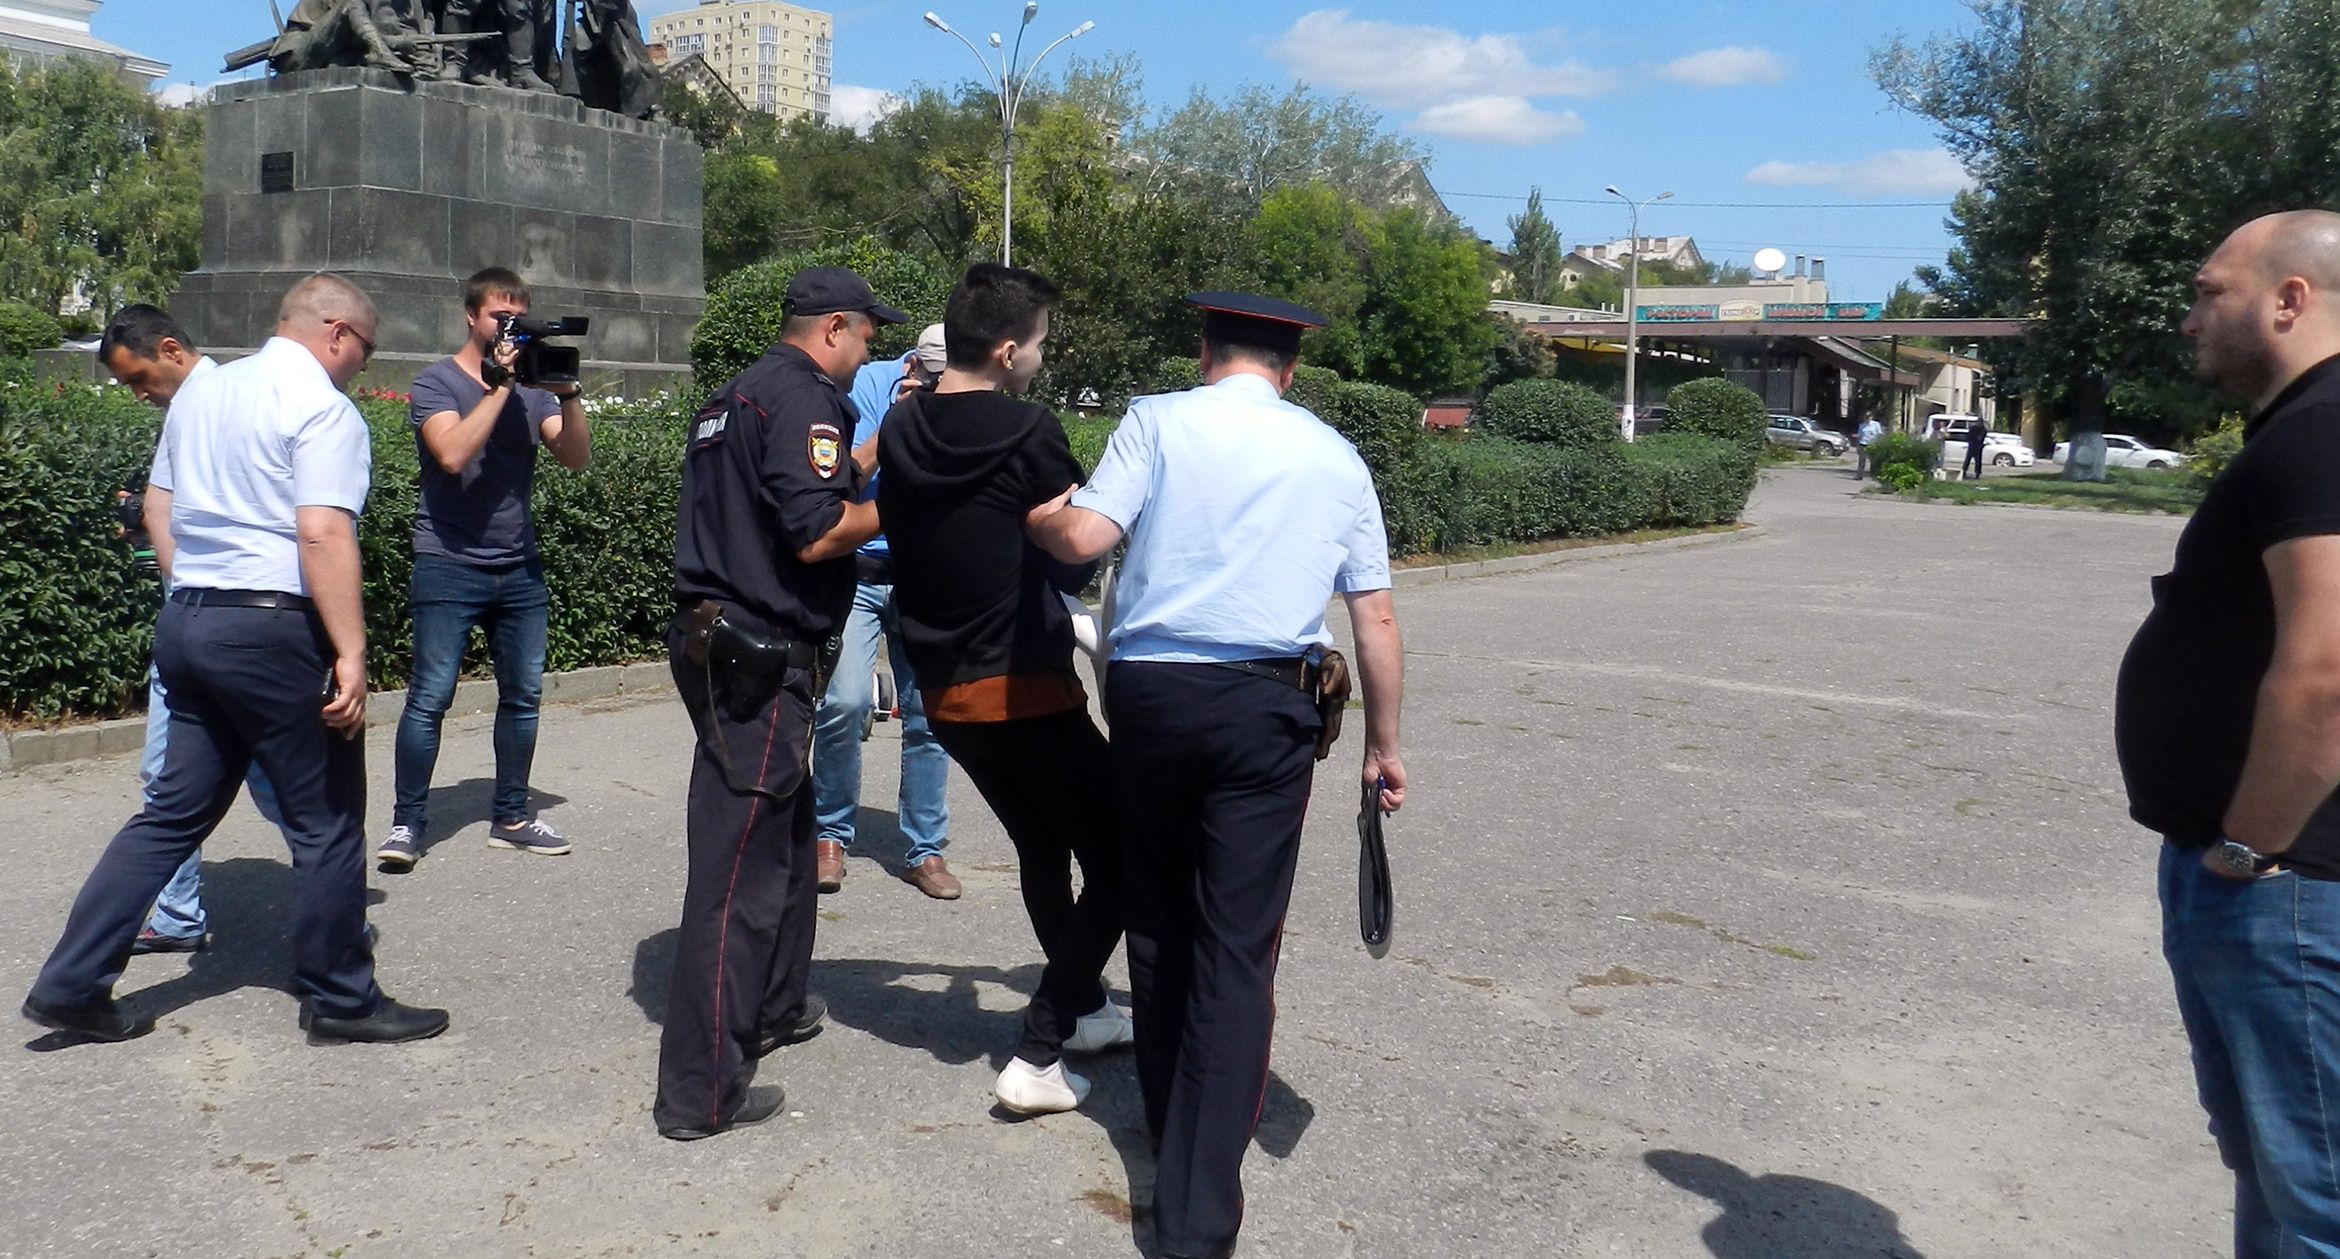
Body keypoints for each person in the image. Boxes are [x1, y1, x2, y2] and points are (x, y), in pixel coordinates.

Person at [1029, 292, 1408, 1259]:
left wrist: (1040, 516)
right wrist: (1383, 746)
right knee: (1236, 947)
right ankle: (1199, 1210)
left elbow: (1085, 539)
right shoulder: (1335, 454)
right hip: (1267, 708)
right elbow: (1373, 616)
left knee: (1158, 916)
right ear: (1291, 370)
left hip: (1154, 697)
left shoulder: (1157, 420)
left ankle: (1167, 1123)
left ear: (1205, 354)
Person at [23, 273, 447, 1047]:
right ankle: (341, 998)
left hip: (190, 618)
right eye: (366, 347)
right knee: (327, 821)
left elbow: (160, 509)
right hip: (270, 628)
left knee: (168, 816)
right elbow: (321, 532)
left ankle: (70, 984)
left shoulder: (202, 396)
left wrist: (200, 602)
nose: (363, 363)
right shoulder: (322, 409)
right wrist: (351, 650)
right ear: (338, 332)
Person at [2117, 209, 2340, 1256]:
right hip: (2273, 876)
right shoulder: (2305, 426)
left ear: (2291, 298)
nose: (2189, 317)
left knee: (2315, 1192)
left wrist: (2247, 847)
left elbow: (2329, 672)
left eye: (2210, 292)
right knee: (2281, 1169)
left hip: (2287, 884)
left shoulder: (2325, 430)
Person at [876, 265, 1132, 1115]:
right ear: (1009, 349)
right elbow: (1073, 556)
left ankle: (1084, 1009)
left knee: (1042, 845)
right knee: (1127, 860)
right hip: (1023, 687)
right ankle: (1038, 1052)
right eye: (1042, 344)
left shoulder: (902, 424)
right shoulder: (1029, 431)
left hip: (944, 691)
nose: (1043, 359)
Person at [657, 266, 902, 1140]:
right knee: (740, 879)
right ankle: (701, 1092)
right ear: (833, 327)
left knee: (790, 840)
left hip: (720, 638)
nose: (868, 352)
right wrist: (908, 505)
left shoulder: (738, 395)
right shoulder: (804, 399)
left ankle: (777, 1003)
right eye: (867, 334)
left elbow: (779, 497)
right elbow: (817, 529)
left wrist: (880, 453)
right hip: (759, 659)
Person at [377, 267, 591, 871]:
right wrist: (499, 386)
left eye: (519, 317)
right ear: (471, 316)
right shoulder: (436, 382)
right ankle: (407, 823)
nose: (510, 326)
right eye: (500, 316)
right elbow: (451, 453)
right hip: (447, 563)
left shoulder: (535, 391)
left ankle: (513, 816)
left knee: (522, 697)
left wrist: (568, 395)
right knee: (430, 697)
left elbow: (575, 458)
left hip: (518, 567)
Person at [96, 306, 289, 954]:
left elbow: (163, 509)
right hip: (218, 623)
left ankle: (336, 910)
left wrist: (191, 595)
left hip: (219, 624)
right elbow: (162, 507)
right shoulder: (208, 401)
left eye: (139, 377)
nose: (138, 394)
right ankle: (179, 914)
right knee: (183, 778)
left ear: (172, 349)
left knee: (269, 782)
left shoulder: (222, 399)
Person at [811, 323, 956, 900]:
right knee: (844, 702)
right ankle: (829, 836)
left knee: (929, 715)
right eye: (935, 377)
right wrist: (897, 422)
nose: (943, 386)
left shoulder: (968, 393)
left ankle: (926, 849)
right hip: (861, 571)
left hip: (927, 575)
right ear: (913, 364)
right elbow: (845, 478)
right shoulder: (866, 385)